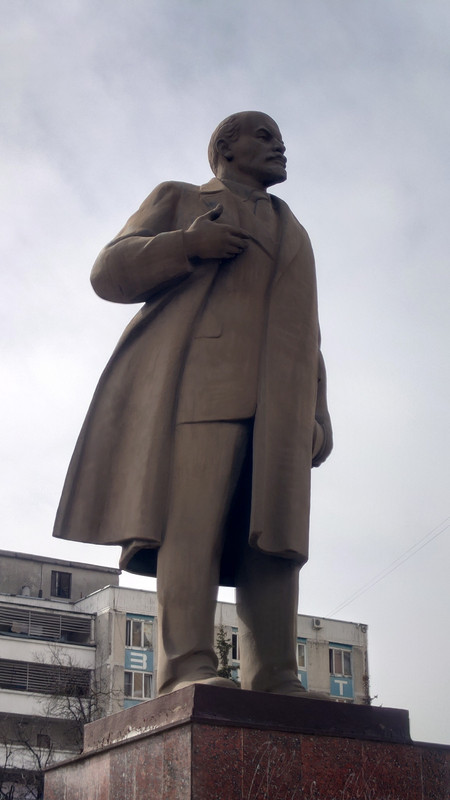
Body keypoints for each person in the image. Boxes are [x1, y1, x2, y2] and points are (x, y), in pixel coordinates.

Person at [53, 111, 332, 697]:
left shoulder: (297, 231)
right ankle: (186, 666)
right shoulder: (181, 199)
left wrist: (318, 409)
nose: (280, 145)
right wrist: (188, 244)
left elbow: (307, 331)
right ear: (225, 148)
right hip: (201, 386)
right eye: (264, 135)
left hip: (283, 406)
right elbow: (108, 272)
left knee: (276, 542)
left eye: (281, 137)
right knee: (192, 525)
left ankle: (276, 673)